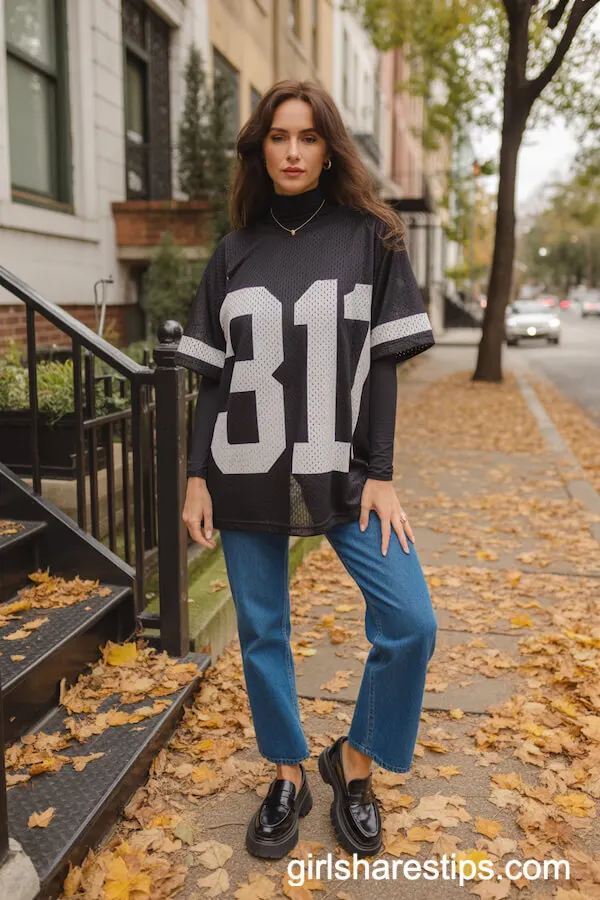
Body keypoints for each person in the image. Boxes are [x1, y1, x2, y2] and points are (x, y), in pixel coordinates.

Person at [174, 79, 438, 861]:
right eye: (278, 137)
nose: (292, 151)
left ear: (329, 149)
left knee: (411, 621)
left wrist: (382, 473)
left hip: (343, 472)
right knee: (263, 632)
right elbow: (212, 379)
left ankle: (353, 763)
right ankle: (286, 772)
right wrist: (196, 476)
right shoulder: (233, 252)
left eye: (308, 137)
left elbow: (385, 362)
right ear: (260, 148)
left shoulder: (372, 235)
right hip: (245, 468)